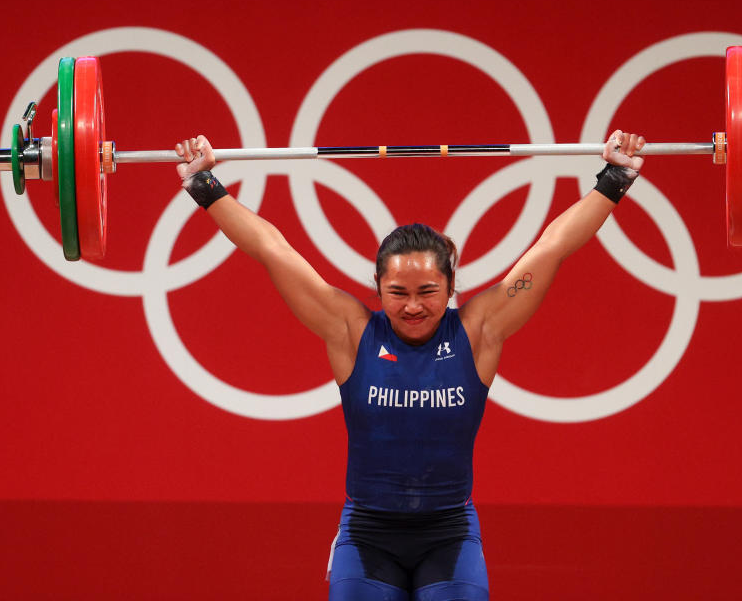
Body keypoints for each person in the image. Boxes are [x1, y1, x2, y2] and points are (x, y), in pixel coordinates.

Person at [174, 130, 645, 601]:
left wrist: (614, 179)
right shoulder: (351, 332)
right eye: (397, 293)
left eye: (427, 292)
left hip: (449, 535)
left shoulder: (478, 331)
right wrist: (205, 187)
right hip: (367, 536)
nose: (413, 306)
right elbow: (272, 248)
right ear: (378, 287)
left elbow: (553, 246)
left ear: (452, 286)